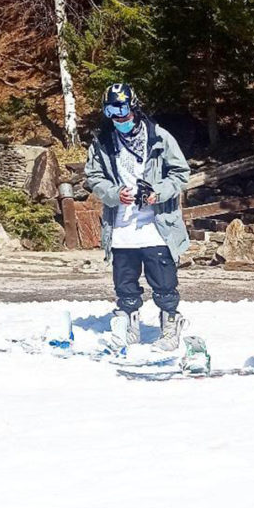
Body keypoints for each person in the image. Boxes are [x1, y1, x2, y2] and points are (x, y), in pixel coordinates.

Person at [85, 83, 191, 351]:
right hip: (121, 225)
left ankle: (170, 325)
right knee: (125, 283)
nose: (118, 117)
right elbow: (93, 176)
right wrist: (112, 193)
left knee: (164, 282)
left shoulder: (160, 137)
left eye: (122, 110)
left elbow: (180, 173)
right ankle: (129, 325)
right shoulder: (102, 142)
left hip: (157, 224)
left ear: (134, 107)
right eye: (111, 111)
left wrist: (159, 192)